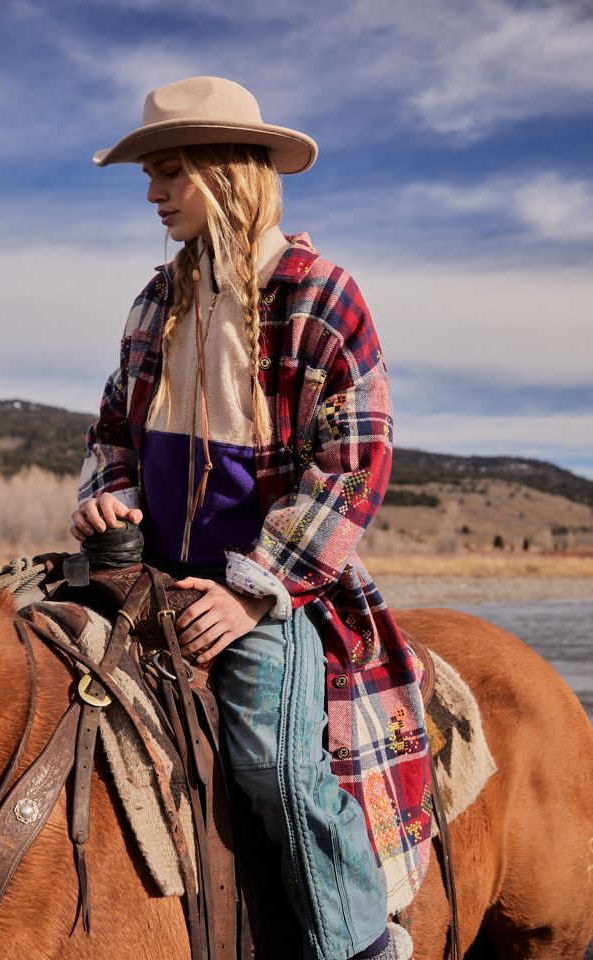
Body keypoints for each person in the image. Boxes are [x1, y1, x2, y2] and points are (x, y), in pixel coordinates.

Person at [72, 76, 429, 960]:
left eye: (170, 174)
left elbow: (354, 466)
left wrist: (252, 595)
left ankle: (361, 946)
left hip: (271, 590)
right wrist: (104, 491)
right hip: (143, 566)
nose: (153, 195)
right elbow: (113, 426)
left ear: (230, 171)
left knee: (277, 766)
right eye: (151, 176)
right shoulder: (156, 300)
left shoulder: (321, 296)